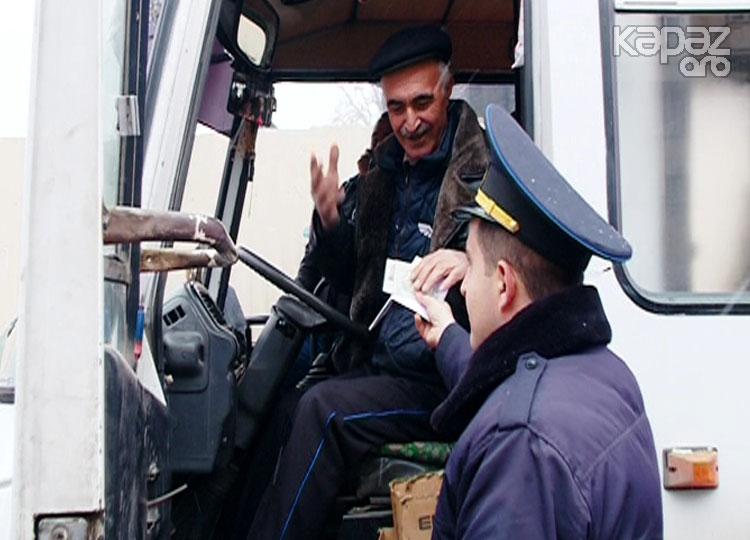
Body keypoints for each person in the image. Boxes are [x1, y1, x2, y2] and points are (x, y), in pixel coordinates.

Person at [245, 26, 489, 540]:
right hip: (375, 361)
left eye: (422, 102)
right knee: (282, 406)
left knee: (322, 411)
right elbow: (349, 278)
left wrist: (473, 262)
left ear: (448, 91)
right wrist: (331, 223)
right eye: (396, 107)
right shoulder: (382, 177)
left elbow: (522, 270)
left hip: (446, 377)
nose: (410, 121)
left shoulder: (488, 176)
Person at [415, 104, 663, 539]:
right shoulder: (605, 373)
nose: (464, 286)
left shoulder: (519, 446)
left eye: (470, 266)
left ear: (504, 284)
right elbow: (510, 376)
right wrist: (448, 335)